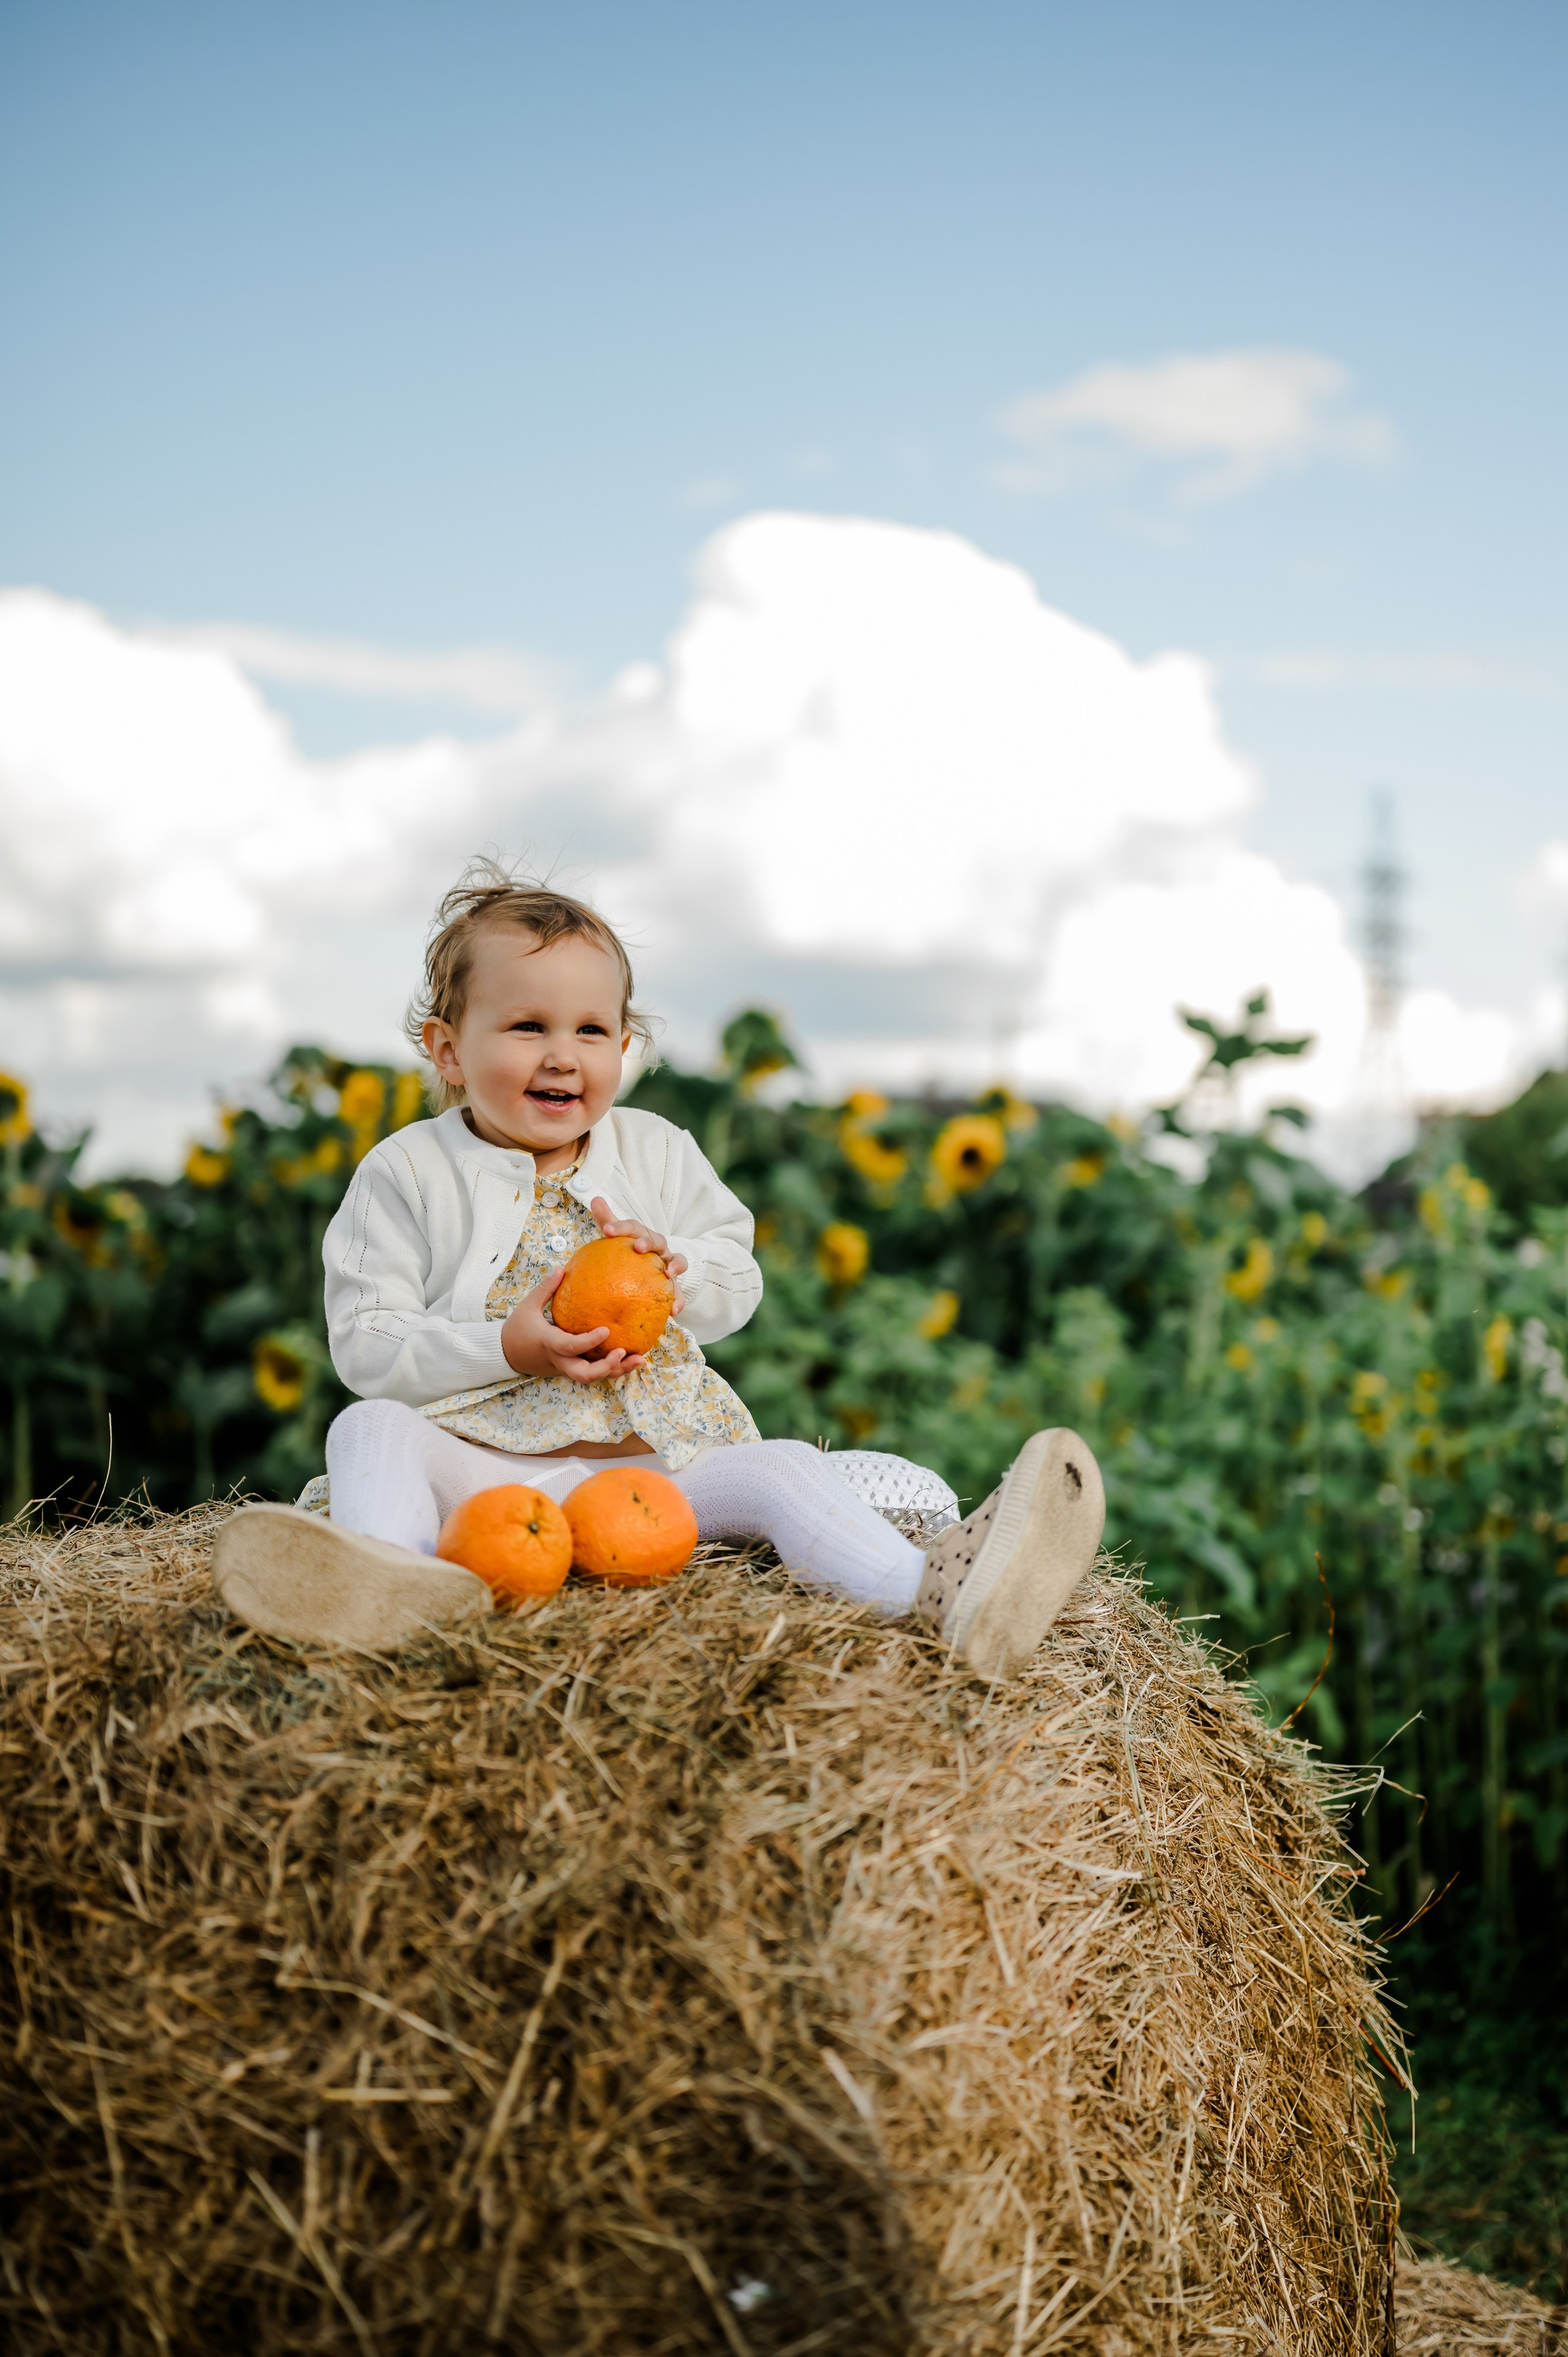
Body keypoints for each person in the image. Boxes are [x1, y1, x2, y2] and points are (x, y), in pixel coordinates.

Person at [214, 864, 1105, 1674]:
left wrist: (681, 1275)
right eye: (527, 1026)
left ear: (625, 1045)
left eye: (592, 1030)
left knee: (781, 1468)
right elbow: (368, 1344)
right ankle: (393, 1584)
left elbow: (737, 1280)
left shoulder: (658, 1152)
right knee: (369, 1428)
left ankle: (930, 1597)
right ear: (447, 1050)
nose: (563, 1054)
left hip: (656, 1475)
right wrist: (506, 1346)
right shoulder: (405, 1172)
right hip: (484, 1479)